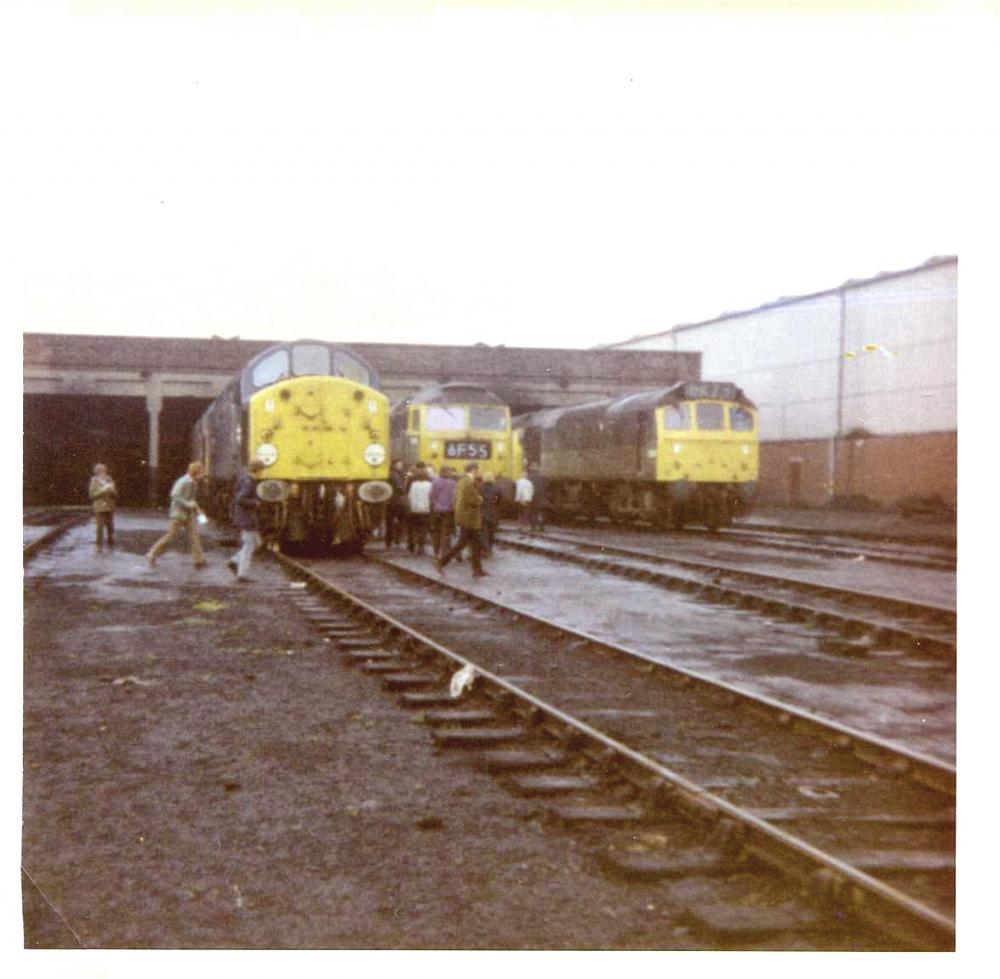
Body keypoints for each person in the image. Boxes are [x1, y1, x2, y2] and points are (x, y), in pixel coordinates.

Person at [146, 461, 207, 568]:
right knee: (171, 536)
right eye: (202, 471)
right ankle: (152, 554)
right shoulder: (183, 481)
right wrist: (188, 504)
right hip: (178, 514)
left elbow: (191, 499)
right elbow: (175, 495)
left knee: (194, 536)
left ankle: (199, 559)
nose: (203, 474)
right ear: (196, 472)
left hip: (189, 514)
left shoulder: (194, 482)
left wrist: (198, 511)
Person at [436, 462, 487, 577]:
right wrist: (481, 498)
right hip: (470, 517)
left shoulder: (461, 481)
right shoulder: (469, 482)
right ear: (473, 470)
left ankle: (477, 570)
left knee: (473, 544)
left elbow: (455, 499)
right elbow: (473, 500)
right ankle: (441, 562)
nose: (479, 472)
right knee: (465, 544)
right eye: (478, 470)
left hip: (465, 515)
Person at [227, 459, 266, 582]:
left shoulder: (246, 480)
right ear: (257, 470)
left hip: (247, 517)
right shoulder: (249, 482)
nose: (262, 473)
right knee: (249, 545)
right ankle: (242, 575)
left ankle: (234, 561)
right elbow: (240, 499)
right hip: (247, 518)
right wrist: (255, 503)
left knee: (257, 543)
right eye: (261, 471)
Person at [430, 464, 458, 560]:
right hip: (448, 511)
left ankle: (436, 552)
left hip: (437, 510)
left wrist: (434, 505)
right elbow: (454, 498)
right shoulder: (453, 483)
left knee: (436, 532)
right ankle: (445, 552)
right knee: (446, 533)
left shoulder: (435, 482)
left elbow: (432, 496)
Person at [88, 463, 118, 552]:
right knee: (99, 527)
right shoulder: (94, 482)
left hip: (109, 506)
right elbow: (91, 495)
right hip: (99, 507)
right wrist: (102, 490)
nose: (103, 473)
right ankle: (99, 545)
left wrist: (113, 491)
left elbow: (116, 495)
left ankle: (110, 540)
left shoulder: (110, 480)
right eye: (100, 471)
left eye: (104, 471)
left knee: (110, 525)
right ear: (96, 472)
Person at [406, 465, 433, 554]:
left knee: (415, 529)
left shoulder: (414, 485)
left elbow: (410, 497)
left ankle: (414, 545)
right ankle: (421, 547)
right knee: (424, 529)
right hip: (426, 510)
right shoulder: (430, 485)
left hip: (415, 510)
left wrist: (412, 506)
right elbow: (431, 497)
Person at [384, 460, 408, 549]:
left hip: (392, 501)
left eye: (401, 464)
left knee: (390, 522)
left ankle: (389, 541)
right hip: (396, 501)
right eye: (399, 464)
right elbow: (400, 487)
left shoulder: (396, 473)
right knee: (398, 521)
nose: (400, 466)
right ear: (394, 465)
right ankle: (395, 540)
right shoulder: (394, 474)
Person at [479, 471, 500, 557]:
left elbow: (478, 499)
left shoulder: (480, 488)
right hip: (493, 513)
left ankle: (484, 549)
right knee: (492, 532)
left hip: (482, 513)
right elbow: (499, 500)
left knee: (483, 533)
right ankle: (489, 549)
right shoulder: (496, 489)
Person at [528, 464, 547, 536]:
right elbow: (546, 486)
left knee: (533, 513)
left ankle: (533, 527)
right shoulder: (543, 478)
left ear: (532, 470)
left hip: (533, 498)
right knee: (541, 513)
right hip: (542, 498)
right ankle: (542, 527)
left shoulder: (529, 478)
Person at [514, 469, 534, 535]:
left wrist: (518, 499)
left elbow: (519, 491)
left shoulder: (519, 482)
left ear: (521, 475)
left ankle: (520, 527)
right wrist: (529, 499)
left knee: (520, 513)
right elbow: (532, 491)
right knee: (527, 514)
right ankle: (527, 528)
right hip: (528, 500)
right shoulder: (530, 483)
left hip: (521, 499)